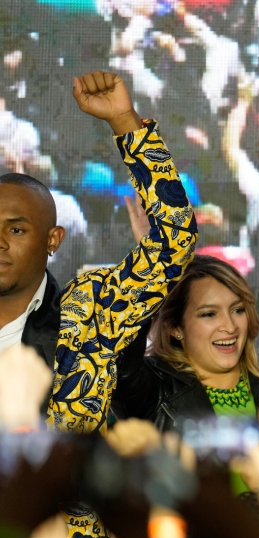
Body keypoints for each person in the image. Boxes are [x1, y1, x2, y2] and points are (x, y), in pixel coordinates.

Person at [0, 70, 198, 434]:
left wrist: (125, 121)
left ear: (53, 240)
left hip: (66, 491)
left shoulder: (90, 312)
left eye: (16, 229)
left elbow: (174, 237)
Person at [113, 255, 259, 432]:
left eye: (238, 310)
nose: (230, 326)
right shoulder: (153, 390)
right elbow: (118, 350)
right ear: (175, 327)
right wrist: (155, 263)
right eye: (209, 314)